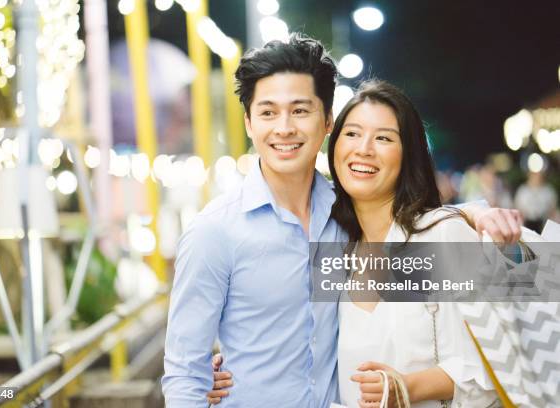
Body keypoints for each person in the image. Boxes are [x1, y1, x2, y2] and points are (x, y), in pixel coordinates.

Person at [163, 33, 521, 408]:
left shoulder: (343, 215)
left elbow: (419, 224)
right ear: (250, 123)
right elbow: (185, 374)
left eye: (300, 110)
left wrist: (475, 213)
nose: (284, 128)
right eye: (268, 112)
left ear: (327, 120)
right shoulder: (215, 232)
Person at [327, 80, 500, 407]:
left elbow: (491, 367)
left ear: (409, 154)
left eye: (383, 138)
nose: (363, 148)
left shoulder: (442, 236)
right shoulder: (336, 245)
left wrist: (407, 388)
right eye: (351, 133)